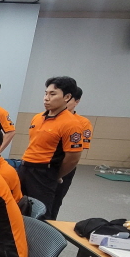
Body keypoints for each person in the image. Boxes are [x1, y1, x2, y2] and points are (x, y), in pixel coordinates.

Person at [17, 76, 83, 220]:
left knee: (41, 215)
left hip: (44, 174)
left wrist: (55, 175)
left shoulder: (71, 124)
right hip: (25, 168)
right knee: (18, 207)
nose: (46, 98)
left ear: (67, 97)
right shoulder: (37, 117)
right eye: (46, 93)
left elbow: (73, 158)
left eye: (52, 94)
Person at [52, 86, 92, 219]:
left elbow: (75, 153)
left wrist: (60, 173)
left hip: (64, 165)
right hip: (42, 164)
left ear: (76, 101)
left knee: (55, 200)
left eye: (69, 99)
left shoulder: (82, 123)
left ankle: (48, 227)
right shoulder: (48, 117)